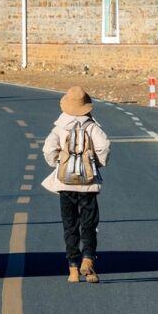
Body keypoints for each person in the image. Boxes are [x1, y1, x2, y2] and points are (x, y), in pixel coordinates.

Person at [42, 85, 111, 283]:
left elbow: (48, 149)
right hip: (87, 185)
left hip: (65, 184)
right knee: (89, 223)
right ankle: (88, 259)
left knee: (70, 225)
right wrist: (96, 164)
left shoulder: (60, 127)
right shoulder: (92, 127)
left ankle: (73, 268)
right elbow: (104, 146)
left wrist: (58, 163)